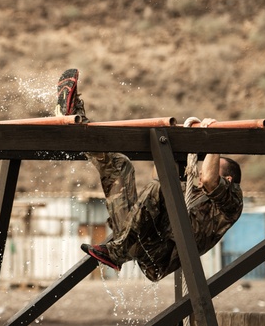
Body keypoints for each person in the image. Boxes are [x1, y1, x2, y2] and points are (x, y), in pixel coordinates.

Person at [57, 69, 243, 282]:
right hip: (138, 236)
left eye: (208, 169)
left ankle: (116, 254)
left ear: (227, 181)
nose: (200, 175)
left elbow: (210, 179)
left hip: (160, 254)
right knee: (119, 165)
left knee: (159, 187)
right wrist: (171, 144)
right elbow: (161, 173)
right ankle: (76, 120)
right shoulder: (191, 191)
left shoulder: (230, 204)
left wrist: (212, 138)